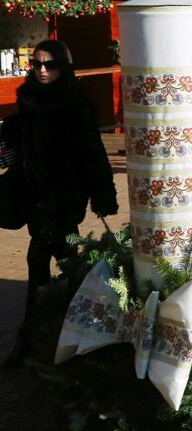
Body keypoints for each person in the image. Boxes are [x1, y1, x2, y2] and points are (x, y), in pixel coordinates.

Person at [2, 40, 118, 365]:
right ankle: (65, 332)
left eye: (49, 64)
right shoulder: (27, 98)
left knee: (44, 257)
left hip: (66, 197)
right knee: (62, 260)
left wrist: (102, 194)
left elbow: (93, 153)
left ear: (63, 68)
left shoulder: (76, 104)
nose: (41, 69)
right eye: (37, 63)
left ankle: (36, 338)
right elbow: (22, 144)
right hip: (35, 197)